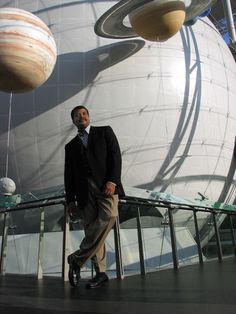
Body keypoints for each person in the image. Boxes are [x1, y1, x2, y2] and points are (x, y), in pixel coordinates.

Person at [64, 105, 124, 288]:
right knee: (91, 229)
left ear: (89, 116)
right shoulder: (71, 146)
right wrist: (70, 200)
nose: (80, 117)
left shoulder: (104, 132)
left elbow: (116, 157)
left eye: (83, 113)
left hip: (105, 185)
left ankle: (76, 259)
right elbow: (69, 174)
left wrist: (112, 181)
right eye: (76, 115)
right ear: (73, 121)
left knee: (110, 216)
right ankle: (101, 273)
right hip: (84, 191)